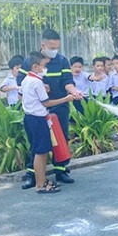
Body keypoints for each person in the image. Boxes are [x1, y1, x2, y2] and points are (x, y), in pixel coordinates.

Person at [17, 28, 83, 188]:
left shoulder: (62, 61)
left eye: (57, 48)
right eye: (52, 48)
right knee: (37, 142)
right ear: (43, 45)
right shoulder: (30, 62)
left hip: (59, 107)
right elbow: (20, 84)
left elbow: (68, 81)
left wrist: (74, 92)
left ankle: (61, 170)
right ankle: (32, 174)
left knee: (61, 139)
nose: (55, 51)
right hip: (38, 111)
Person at [21, 52, 74, 194]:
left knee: (41, 150)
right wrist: (65, 99)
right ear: (35, 66)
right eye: (44, 66)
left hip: (30, 118)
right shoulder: (37, 82)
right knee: (41, 152)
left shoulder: (27, 80)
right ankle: (40, 184)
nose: (46, 69)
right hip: (38, 119)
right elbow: (46, 102)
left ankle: (42, 180)